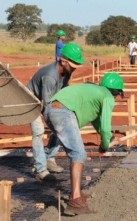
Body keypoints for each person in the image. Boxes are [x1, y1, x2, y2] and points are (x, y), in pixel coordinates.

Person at [44, 72, 123, 215]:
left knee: (76, 153)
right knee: (79, 154)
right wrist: (104, 146)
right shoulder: (107, 96)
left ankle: (76, 193)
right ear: (116, 92)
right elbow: (105, 126)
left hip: (50, 110)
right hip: (63, 112)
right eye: (117, 96)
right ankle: (75, 201)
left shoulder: (93, 91)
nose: (115, 99)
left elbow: (97, 121)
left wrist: (109, 138)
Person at [27, 43, 84, 182]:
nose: (74, 68)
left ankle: (50, 159)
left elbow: (63, 92)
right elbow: (46, 105)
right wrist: (53, 120)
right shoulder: (50, 76)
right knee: (39, 131)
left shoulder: (66, 72)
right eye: (72, 65)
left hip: (48, 100)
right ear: (63, 61)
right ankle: (41, 169)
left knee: (61, 125)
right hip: (32, 100)